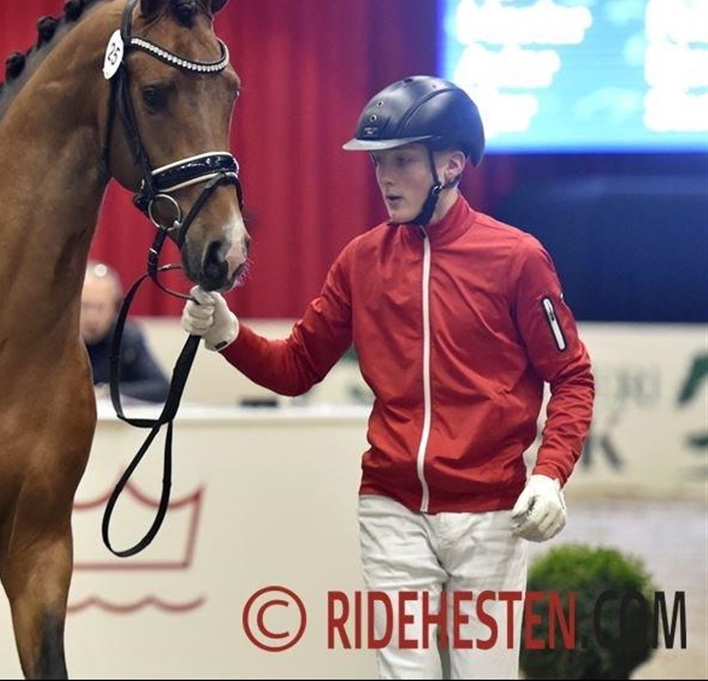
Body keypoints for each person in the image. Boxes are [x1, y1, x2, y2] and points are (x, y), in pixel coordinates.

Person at [181, 76, 595, 679]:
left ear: (451, 165)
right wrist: (227, 334)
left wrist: (551, 474)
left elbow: (573, 376)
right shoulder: (360, 260)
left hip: (489, 513)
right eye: (379, 162)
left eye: (402, 161)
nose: (385, 177)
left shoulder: (518, 258)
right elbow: (297, 368)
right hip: (390, 507)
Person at [81, 261, 171, 404]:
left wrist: (106, 392)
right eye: (85, 306)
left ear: (115, 308)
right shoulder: (56, 339)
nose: (92, 316)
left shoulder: (127, 337)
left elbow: (161, 388)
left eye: (100, 307)